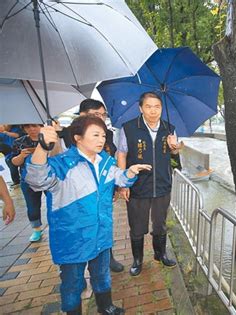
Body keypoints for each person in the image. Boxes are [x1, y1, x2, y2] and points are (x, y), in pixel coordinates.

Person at [25, 116, 151, 315]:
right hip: (72, 237)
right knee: (73, 282)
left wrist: (130, 172)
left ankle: (105, 306)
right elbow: (36, 180)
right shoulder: (62, 164)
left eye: (103, 135)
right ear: (78, 138)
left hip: (101, 232)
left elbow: (121, 178)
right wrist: (42, 147)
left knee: (101, 275)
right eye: (95, 135)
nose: (101, 139)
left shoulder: (106, 162)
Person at [117, 91, 183, 276]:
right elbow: (121, 154)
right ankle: (137, 260)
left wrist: (174, 149)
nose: (153, 111)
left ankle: (160, 254)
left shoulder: (169, 129)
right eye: (148, 106)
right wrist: (123, 184)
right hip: (138, 187)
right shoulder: (129, 128)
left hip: (162, 186)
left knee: (160, 224)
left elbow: (175, 164)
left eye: (157, 107)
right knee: (137, 226)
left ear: (162, 109)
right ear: (141, 108)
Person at [58, 98, 124, 273]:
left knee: (103, 222)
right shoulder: (65, 135)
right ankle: (76, 267)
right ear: (82, 115)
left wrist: (116, 187)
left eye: (103, 115)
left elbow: (111, 158)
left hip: (102, 188)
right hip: (77, 195)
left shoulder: (107, 134)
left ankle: (107, 258)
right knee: (79, 229)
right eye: (96, 114)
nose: (101, 118)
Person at [10, 124, 47, 242]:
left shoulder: (49, 139)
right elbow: (14, 162)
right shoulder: (19, 142)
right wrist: (21, 156)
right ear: (24, 129)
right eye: (28, 127)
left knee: (55, 204)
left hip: (48, 178)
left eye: (35, 126)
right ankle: (36, 229)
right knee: (32, 205)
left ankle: (58, 226)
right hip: (27, 179)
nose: (32, 129)